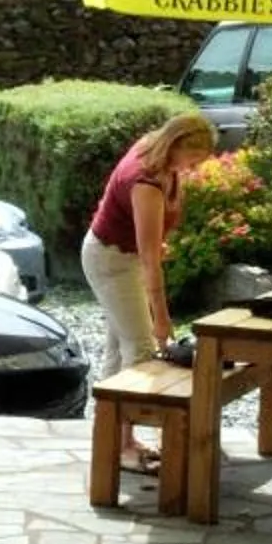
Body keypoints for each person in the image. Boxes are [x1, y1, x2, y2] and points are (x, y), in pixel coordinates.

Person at [81, 111, 219, 472]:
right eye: (193, 158)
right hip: (111, 260)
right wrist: (162, 316)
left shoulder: (160, 157)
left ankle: (111, 436)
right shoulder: (145, 182)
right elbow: (148, 260)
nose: (195, 167)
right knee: (141, 349)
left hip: (122, 256)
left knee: (119, 346)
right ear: (174, 146)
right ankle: (124, 446)